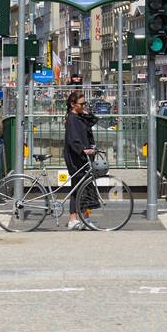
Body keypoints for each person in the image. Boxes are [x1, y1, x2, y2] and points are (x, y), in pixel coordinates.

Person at [64, 90, 97, 230]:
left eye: (85, 103)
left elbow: (93, 120)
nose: (83, 106)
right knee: (78, 187)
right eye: (81, 104)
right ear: (73, 104)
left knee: (83, 187)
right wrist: (83, 149)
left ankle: (84, 217)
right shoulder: (71, 118)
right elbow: (72, 139)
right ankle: (75, 218)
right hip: (75, 157)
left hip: (83, 156)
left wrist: (85, 112)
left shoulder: (80, 116)